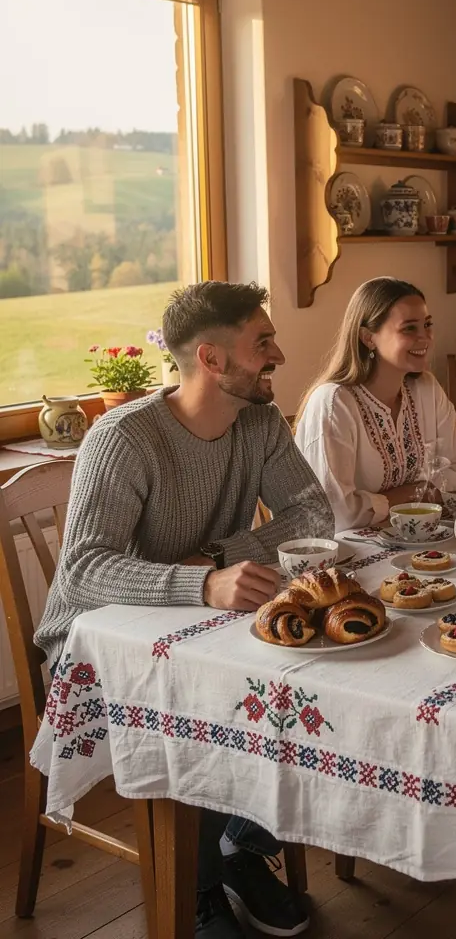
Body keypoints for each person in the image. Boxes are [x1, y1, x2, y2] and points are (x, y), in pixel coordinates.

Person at [35, 281, 333, 939]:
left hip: (207, 625)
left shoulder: (257, 422)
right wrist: (202, 584)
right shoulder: (125, 438)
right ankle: (198, 891)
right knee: (197, 703)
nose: (279, 353)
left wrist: (217, 558)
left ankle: (239, 846)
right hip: (95, 648)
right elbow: (83, 571)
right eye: (263, 342)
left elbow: (313, 514)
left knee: (314, 677)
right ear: (212, 358)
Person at [294, 277, 456, 531]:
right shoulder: (334, 403)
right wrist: (418, 491)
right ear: (368, 338)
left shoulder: (425, 389)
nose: (425, 338)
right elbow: (336, 515)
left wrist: (388, 502)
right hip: (349, 555)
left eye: (427, 325)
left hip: (415, 537)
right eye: (409, 328)